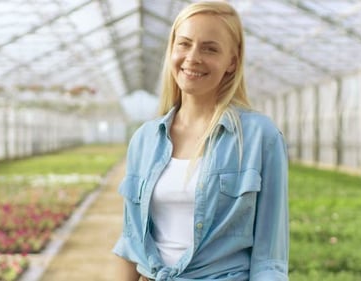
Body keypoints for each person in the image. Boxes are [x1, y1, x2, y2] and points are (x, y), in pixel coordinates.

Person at [113, 1, 289, 280]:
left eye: (210, 48)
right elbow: (130, 243)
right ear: (172, 49)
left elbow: (269, 260)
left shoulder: (259, 137)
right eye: (184, 44)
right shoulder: (145, 140)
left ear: (232, 61)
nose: (193, 57)